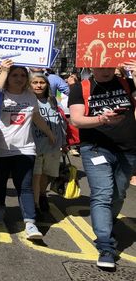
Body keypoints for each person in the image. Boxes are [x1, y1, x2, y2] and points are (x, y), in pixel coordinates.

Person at [68, 62, 136, 269]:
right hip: (96, 148)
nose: (106, 71)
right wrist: (101, 119)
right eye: (101, 68)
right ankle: (105, 246)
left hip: (128, 149)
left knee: (119, 194)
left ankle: (107, 222)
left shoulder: (127, 84)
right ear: (92, 68)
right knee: (102, 194)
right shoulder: (81, 88)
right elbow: (77, 120)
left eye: (110, 67)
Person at [0, 59, 55, 241]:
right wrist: (3, 71)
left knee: (25, 186)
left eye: (22, 75)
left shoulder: (30, 96)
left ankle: (30, 222)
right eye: (14, 75)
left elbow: (36, 117)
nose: (19, 78)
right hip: (1, 149)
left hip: (25, 149)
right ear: (8, 77)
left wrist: (49, 133)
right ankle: (0, 207)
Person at [29, 72, 66, 216]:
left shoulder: (53, 100)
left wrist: (63, 142)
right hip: (35, 144)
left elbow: (60, 122)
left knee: (46, 174)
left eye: (42, 82)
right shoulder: (28, 100)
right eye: (35, 82)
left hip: (53, 145)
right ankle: (35, 204)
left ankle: (43, 195)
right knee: (36, 175)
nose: (39, 85)